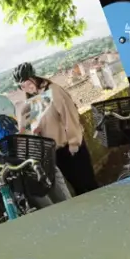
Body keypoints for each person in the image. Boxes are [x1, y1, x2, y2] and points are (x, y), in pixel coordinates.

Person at [0, 77, 68, 209]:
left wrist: (22, 130)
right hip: (9, 175)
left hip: (16, 169)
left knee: (52, 174)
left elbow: (4, 137)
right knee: (47, 201)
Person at [14, 62, 99, 196]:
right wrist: (35, 130)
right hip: (57, 152)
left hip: (71, 147)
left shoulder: (53, 90)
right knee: (79, 189)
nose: (27, 88)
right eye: (22, 86)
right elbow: (39, 123)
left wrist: (74, 143)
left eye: (28, 83)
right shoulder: (35, 99)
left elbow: (70, 116)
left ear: (34, 78)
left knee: (90, 185)